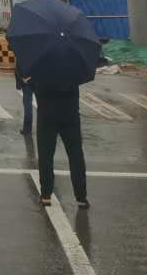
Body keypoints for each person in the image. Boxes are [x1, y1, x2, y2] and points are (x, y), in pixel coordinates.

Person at [33, 77, 89, 209]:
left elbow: (29, 78)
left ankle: (46, 195)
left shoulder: (41, 65)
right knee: (75, 155)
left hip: (46, 112)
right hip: (70, 112)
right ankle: (81, 197)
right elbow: (82, 77)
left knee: (46, 155)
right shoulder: (73, 64)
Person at [17, 67, 35, 138]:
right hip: (39, 80)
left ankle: (27, 130)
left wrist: (22, 80)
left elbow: (18, 69)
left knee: (28, 105)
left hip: (27, 82)